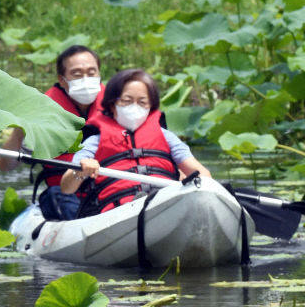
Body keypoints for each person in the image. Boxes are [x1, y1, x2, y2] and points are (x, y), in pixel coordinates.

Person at [60, 68, 210, 213]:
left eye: (142, 102)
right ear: (112, 104)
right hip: (117, 211)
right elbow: (66, 187)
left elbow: (202, 174)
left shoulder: (166, 136)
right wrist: (79, 170)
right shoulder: (94, 141)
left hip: (165, 204)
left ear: (150, 106)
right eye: (127, 100)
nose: (135, 107)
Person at [1, 44, 105, 221]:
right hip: (65, 195)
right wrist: (20, 128)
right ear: (62, 79)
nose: (86, 79)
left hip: (107, 190)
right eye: (77, 74)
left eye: (91, 72)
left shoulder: (116, 106)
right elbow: (7, 166)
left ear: (99, 75)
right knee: (58, 196)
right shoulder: (44, 114)